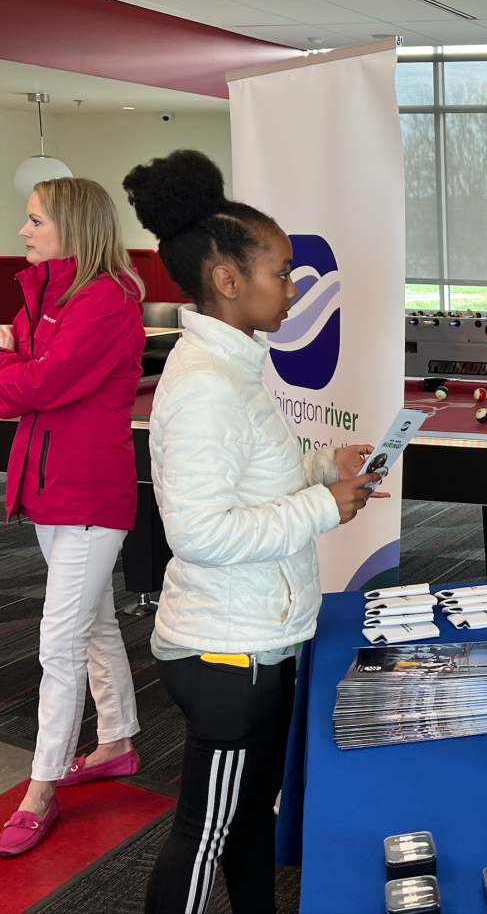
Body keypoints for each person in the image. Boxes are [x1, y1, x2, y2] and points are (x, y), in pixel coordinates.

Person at [122, 150, 384, 914]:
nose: (295, 285)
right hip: (224, 650)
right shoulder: (204, 385)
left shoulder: (237, 364)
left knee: (244, 824)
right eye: (282, 270)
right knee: (204, 834)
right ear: (228, 280)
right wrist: (322, 507)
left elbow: (253, 475)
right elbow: (200, 531)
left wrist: (318, 463)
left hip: (258, 639)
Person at [0, 179, 146, 856]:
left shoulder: (106, 300)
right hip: (52, 485)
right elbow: (28, 376)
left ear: (71, 226)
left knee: (56, 642)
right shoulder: (60, 294)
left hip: (88, 494)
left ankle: (40, 786)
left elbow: (39, 384)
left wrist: (9, 355)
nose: (23, 232)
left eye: (34, 221)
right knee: (91, 624)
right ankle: (116, 739)